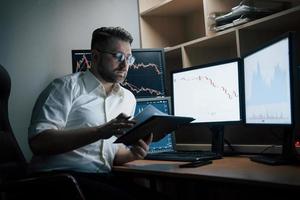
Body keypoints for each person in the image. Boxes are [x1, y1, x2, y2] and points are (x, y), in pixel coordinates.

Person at [28, 27, 163, 200]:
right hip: (58, 178)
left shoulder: (128, 98)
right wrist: (100, 132)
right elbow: (39, 142)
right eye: (118, 56)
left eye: (129, 58)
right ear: (96, 56)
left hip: (102, 177)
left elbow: (112, 153)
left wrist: (133, 154)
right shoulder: (64, 87)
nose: (125, 65)